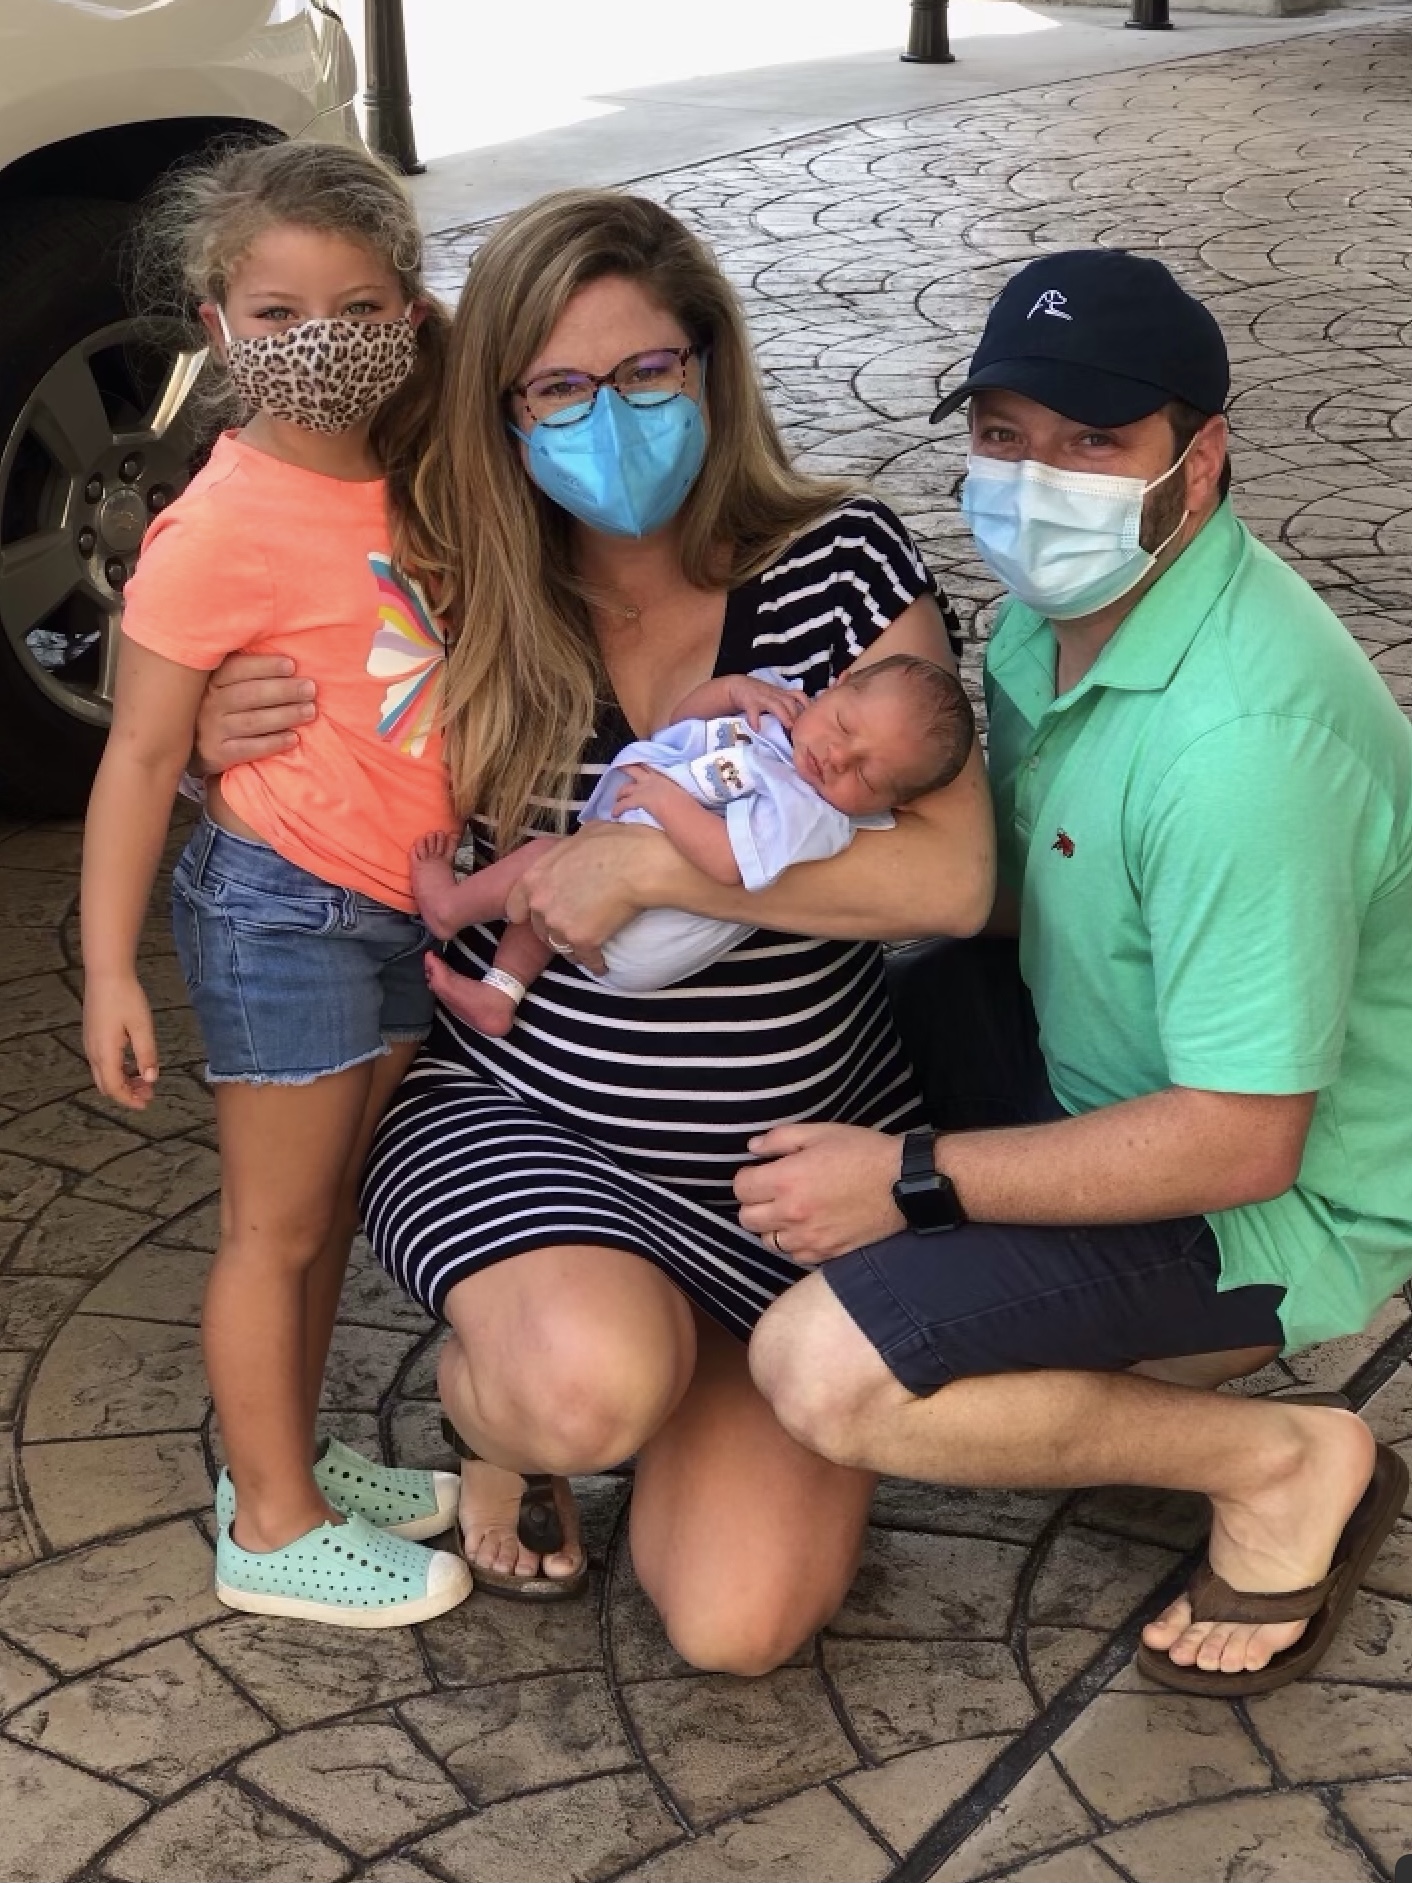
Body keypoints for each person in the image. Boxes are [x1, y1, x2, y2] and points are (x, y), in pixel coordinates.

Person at [192, 189, 993, 1661]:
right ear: (501, 405)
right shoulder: (450, 586)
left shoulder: (841, 563)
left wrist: (656, 869)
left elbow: (946, 882)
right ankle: (527, 1398)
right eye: (557, 386)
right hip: (523, 1116)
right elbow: (276, 720)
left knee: (738, 1624)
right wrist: (207, 727)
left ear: (710, 366)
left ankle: (667, 1336)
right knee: (581, 1390)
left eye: (645, 373)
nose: (607, 414)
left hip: (791, 1178)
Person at [724, 249, 1412, 1698]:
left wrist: (912, 1176)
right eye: (1004, 436)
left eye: (1095, 441)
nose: (1039, 481)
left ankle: (1286, 1459)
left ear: (1201, 456)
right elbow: (996, 892)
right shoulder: (1052, 620)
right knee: (789, 1033)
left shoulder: (1243, 747)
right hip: (1086, 1050)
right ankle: (1040, 1321)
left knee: (820, 1370)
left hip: (1266, 1190)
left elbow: (1243, 1134)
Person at [80, 141, 472, 1628]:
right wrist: (111, 967)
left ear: (413, 313)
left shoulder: (422, 470)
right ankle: (270, 1520)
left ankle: (288, 1457)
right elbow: (136, 757)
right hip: (284, 908)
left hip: (391, 908)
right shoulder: (217, 524)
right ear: (214, 317)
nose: (321, 343)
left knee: (319, 1211)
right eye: (278, 311)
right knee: (275, 1227)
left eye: (356, 306)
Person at [410, 656, 973, 1034]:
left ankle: (448, 908)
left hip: (652, 933)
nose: (836, 756)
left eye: (867, 777)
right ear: (837, 686)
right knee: (546, 892)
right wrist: (731, 690)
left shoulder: (810, 812)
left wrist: (662, 801)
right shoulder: (778, 717)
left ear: (886, 804)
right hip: (616, 880)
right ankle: (500, 994)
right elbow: (683, 727)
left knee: (541, 864)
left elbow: (726, 863)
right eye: (845, 726)